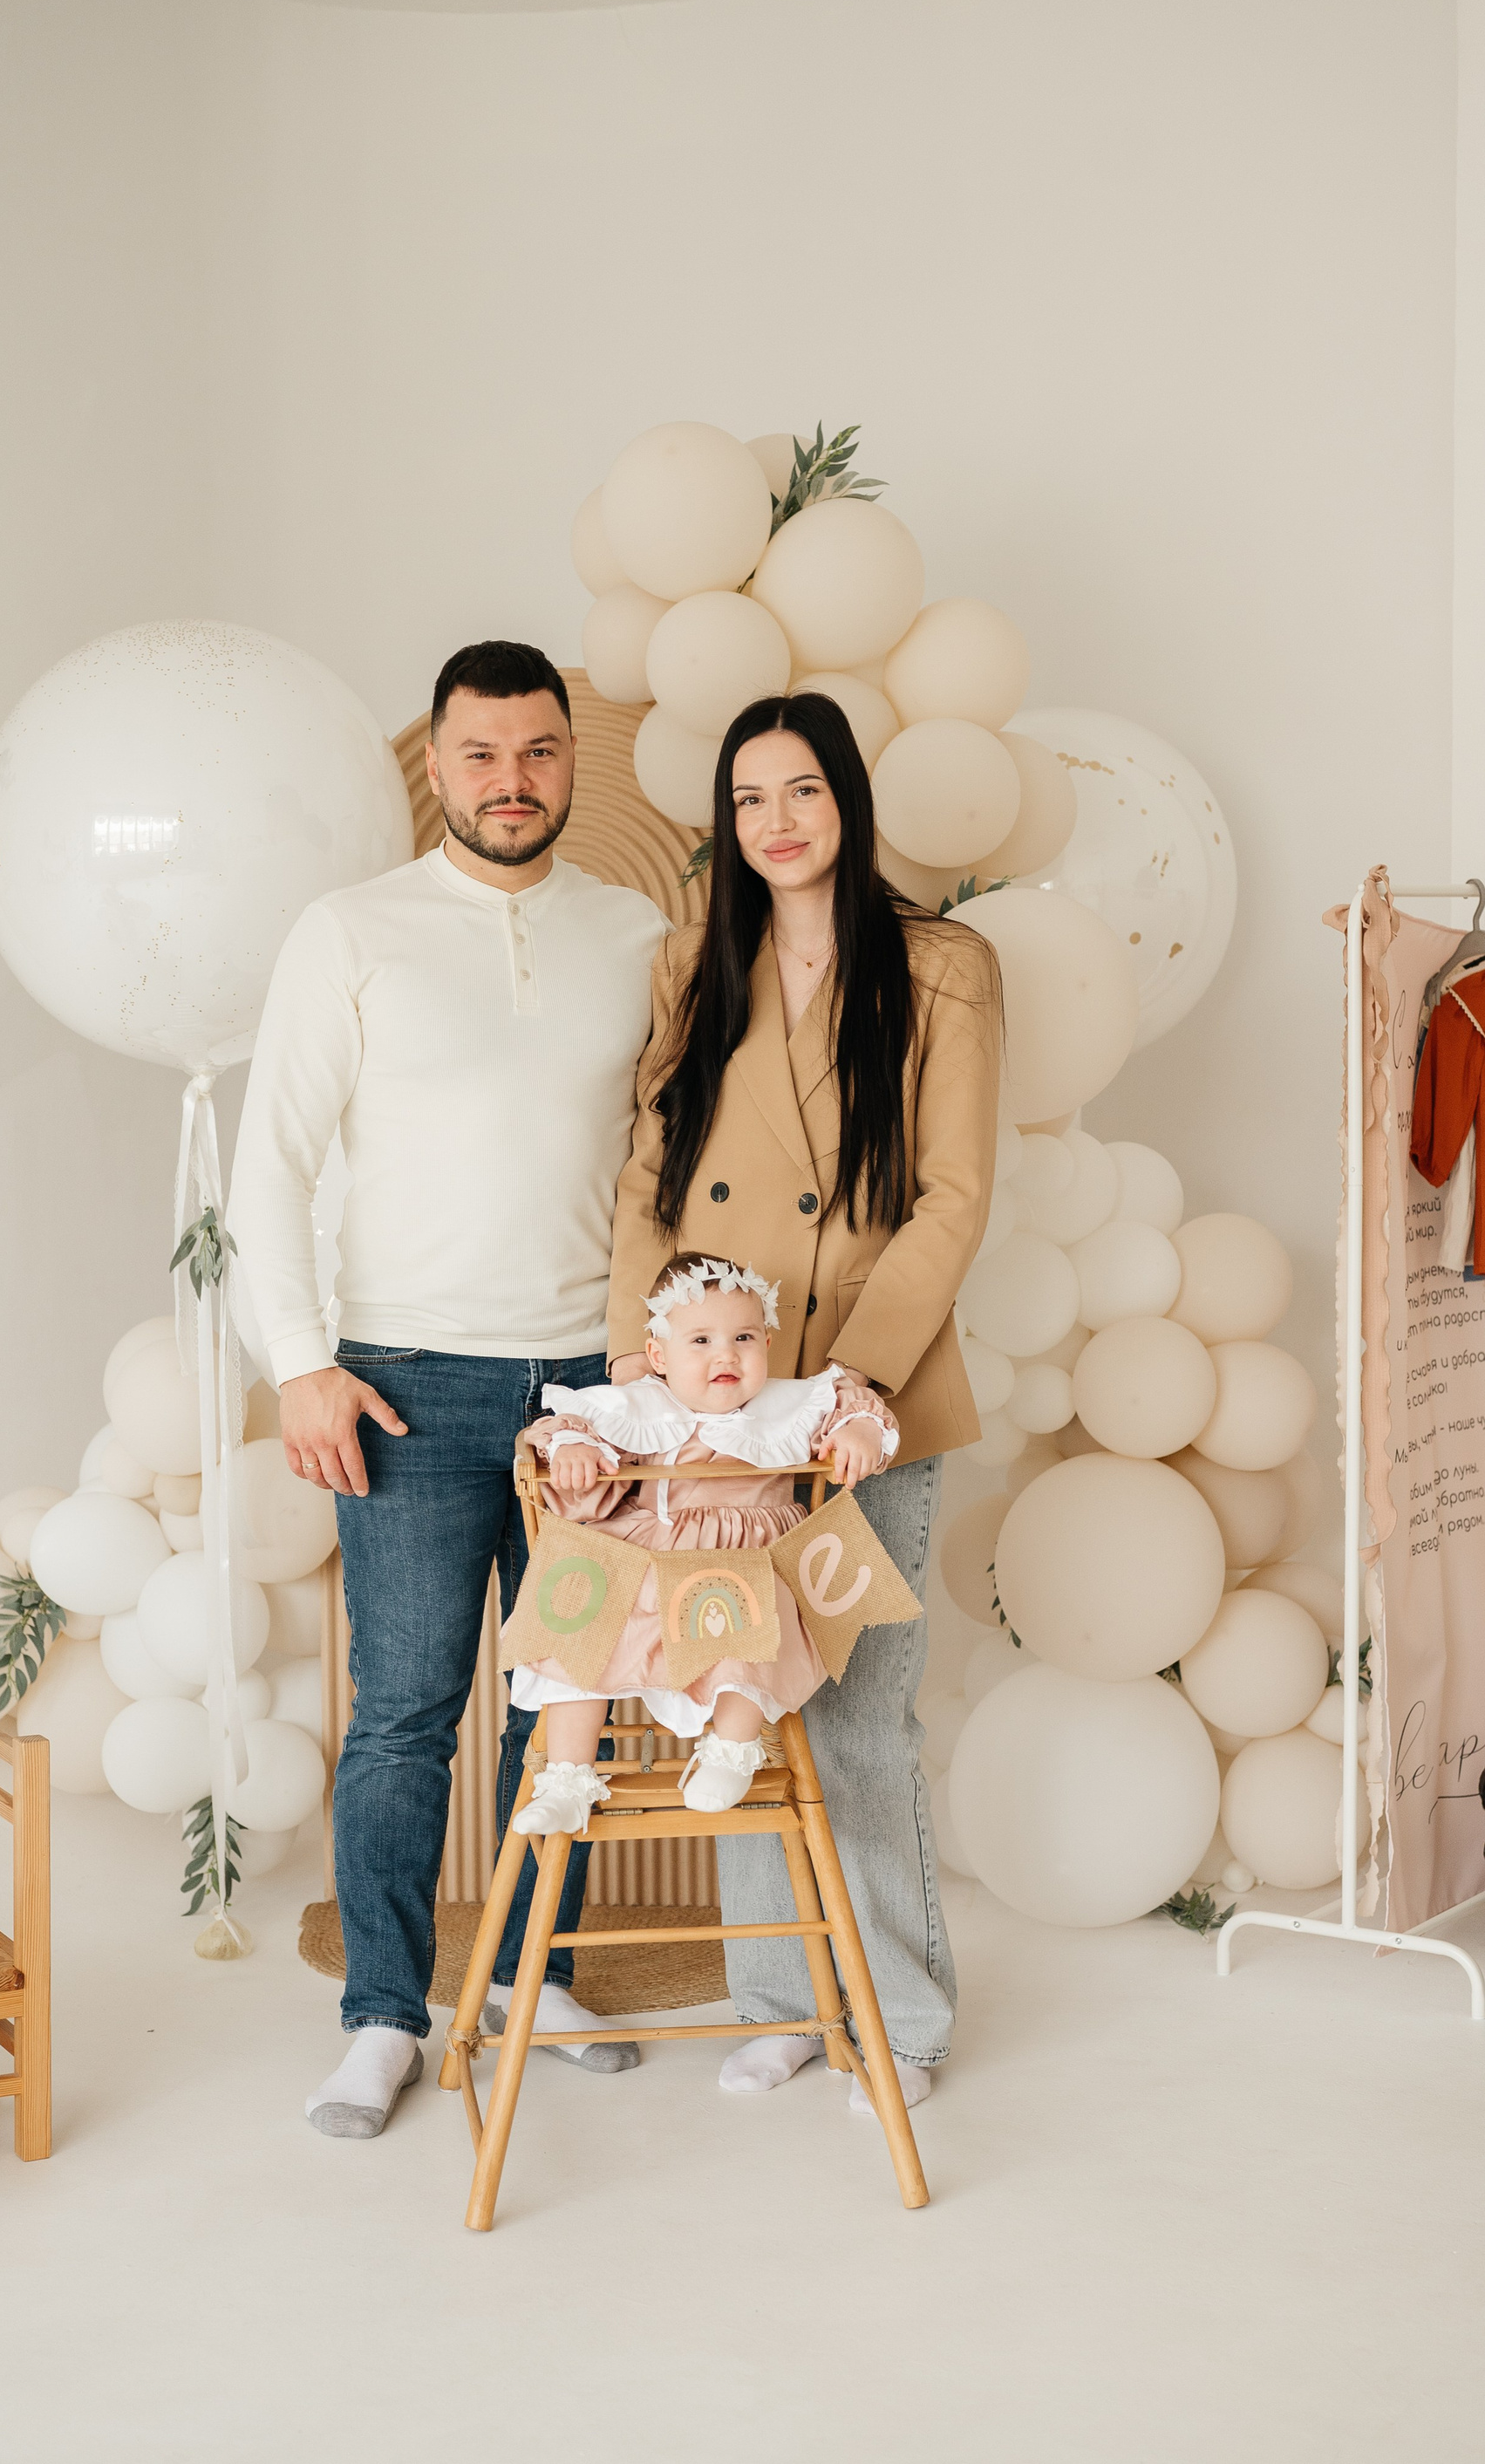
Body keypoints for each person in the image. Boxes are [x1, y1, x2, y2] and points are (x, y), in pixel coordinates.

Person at [233, 639, 667, 2139]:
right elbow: (269, 1166)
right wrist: (302, 1365)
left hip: (594, 1394)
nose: (511, 780)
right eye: (480, 753)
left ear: (571, 759)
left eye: (538, 750)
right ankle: (384, 2014)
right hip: (405, 1382)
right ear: (436, 765)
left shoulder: (638, 933)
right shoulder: (350, 932)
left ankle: (534, 1978)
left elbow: (676, 1155)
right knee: (407, 1712)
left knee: (568, 1708)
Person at [604, 691, 1001, 2116]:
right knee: (740, 1695)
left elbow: (952, 1196)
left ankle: (898, 2016)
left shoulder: (942, 965)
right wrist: (642, 1366)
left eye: (803, 790)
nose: (775, 822)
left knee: (861, 1715)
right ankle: (780, 1995)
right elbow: (649, 1178)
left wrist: (854, 1383)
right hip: (719, 1398)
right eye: (749, 798)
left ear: (848, 798)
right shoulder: (693, 964)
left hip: (859, 1402)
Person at [507, 1250, 896, 1830]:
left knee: (753, 1604)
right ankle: (567, 1778)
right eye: (701, 1341)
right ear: (659, 1356)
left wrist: (860, 1429)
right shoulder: (643, 1404)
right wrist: (575, 1448)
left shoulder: (787, 1405)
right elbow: (570, 1426)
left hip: (750, 1561)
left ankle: (731, 1749)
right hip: (650, 1556)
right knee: (578, 1606)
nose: (726, 1355)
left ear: (767, 1343)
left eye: (744, 1337)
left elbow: (849, 1405)